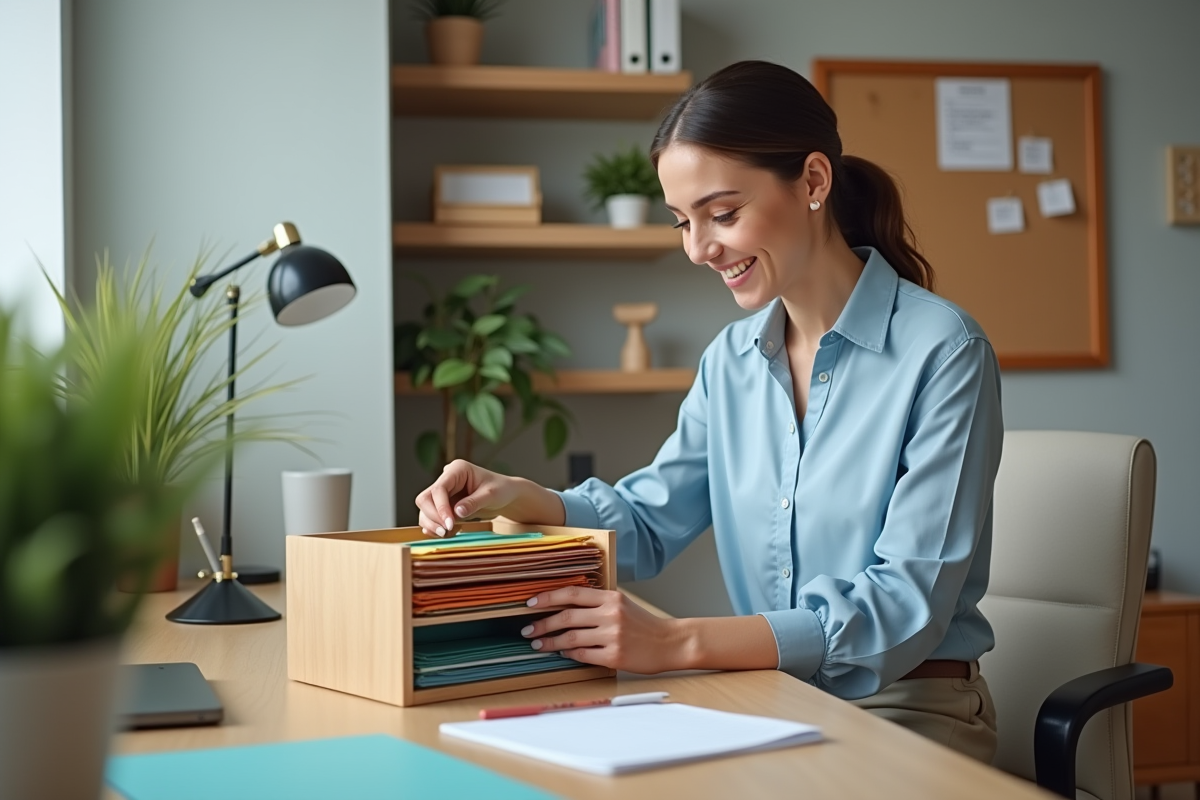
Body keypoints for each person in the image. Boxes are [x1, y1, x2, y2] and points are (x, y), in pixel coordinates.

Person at [414, 60, 1003, 763]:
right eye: (683, 223)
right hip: (766, 702)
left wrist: (676, 641)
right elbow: (648, 520)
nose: (699, 248)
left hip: (909, 713)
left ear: (814, 182)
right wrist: (523, 496)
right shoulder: (731, 360)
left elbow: (902, 605)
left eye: (723, 214)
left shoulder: (943, 349)